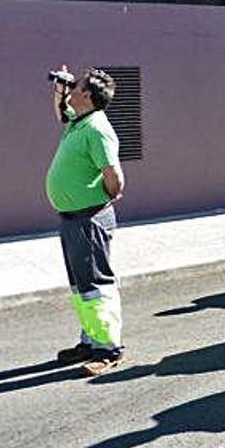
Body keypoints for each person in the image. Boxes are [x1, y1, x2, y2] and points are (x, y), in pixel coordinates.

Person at [47, 67, 126, 377]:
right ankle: (91, 340)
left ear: (89, 97)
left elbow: (115, 180)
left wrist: (98, 201)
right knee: (81, 288)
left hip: (89, 219)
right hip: (72, 220)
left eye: (76, 88)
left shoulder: (97, 130)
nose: (72, 92)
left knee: (96, 285)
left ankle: (109, 349)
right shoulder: (79, 122)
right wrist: (59, 90)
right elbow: (62, 113)